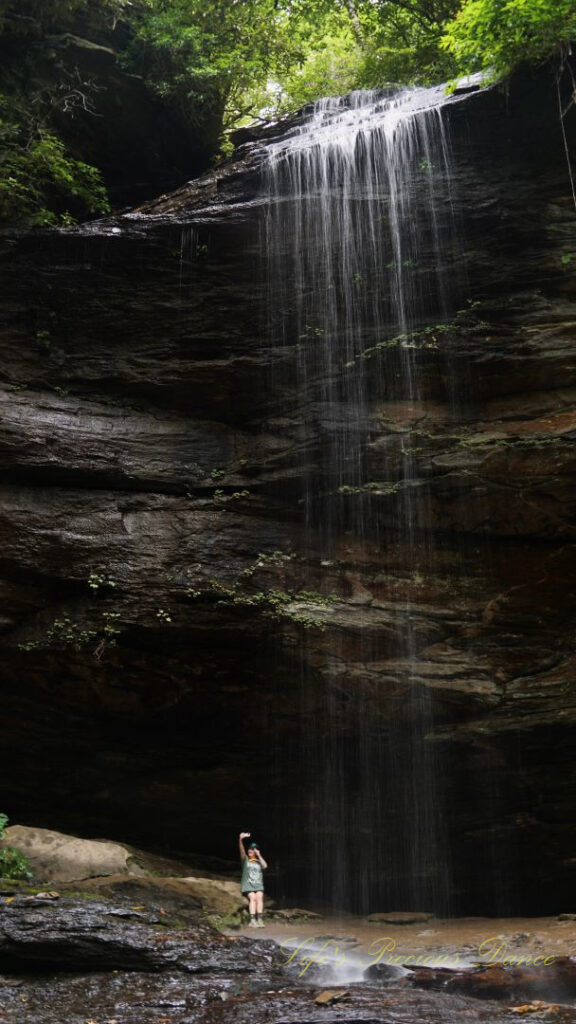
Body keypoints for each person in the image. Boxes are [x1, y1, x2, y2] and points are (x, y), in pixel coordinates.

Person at [239, 831, 268, 928]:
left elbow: (265, 866)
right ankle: (252, 920)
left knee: (259, 896)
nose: (250, 851)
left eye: (253, 850)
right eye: (250, 849)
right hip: (248, 885)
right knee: (253, 898)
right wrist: (240, 840)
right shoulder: (246, 860)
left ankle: (259, 919)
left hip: (258, 885)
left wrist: (259, 855)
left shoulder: (258, 861)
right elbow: (242, 851)